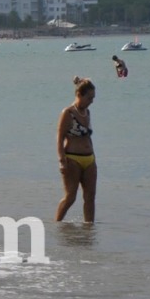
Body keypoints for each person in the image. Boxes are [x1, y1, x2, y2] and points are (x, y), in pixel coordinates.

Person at [55, 76, 97, 224]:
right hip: (72, 159)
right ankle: (57, 225)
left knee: (90, 197)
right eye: (89, 98)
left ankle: (89, 229)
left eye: (93, 98)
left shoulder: (87, 112)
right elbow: (59, 138)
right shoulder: (68, 113)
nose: (92, 101)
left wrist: (94, 158)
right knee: (71, 197)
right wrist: (62, 160)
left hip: (89, 159)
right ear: (79, 94)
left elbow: (88, 137)